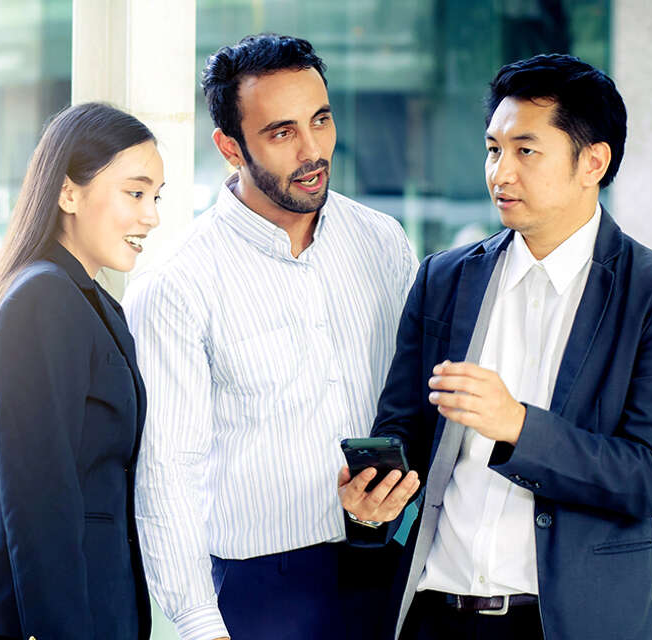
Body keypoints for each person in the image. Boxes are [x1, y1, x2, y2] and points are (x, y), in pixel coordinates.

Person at [339, 54, 652, 639]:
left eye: (526, 150)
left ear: (593, 161)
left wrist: (516, 425)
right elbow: (403, 435)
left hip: (564, 623)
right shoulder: (444, 278)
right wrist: (373, 503)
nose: (500, 172)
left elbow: (649, 478)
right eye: (494, 149)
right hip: (433, 614)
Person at [124, 34, 416, 640]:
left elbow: (412, 397)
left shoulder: (383, 241)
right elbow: (166, 473)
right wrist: (201, 624)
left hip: (392, 560)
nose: (313, 151)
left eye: (321, 121)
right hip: (260, 589)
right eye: (282, 132)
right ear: (230, 147)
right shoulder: (178, 282)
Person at [0, 102, 163, 640]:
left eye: (156, 197)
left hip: (91, 612)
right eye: (134, 193)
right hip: (49, 622)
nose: (151, 215)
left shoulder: (89, 302)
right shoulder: (44, 298)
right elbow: (38, 501)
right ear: (68, 193)